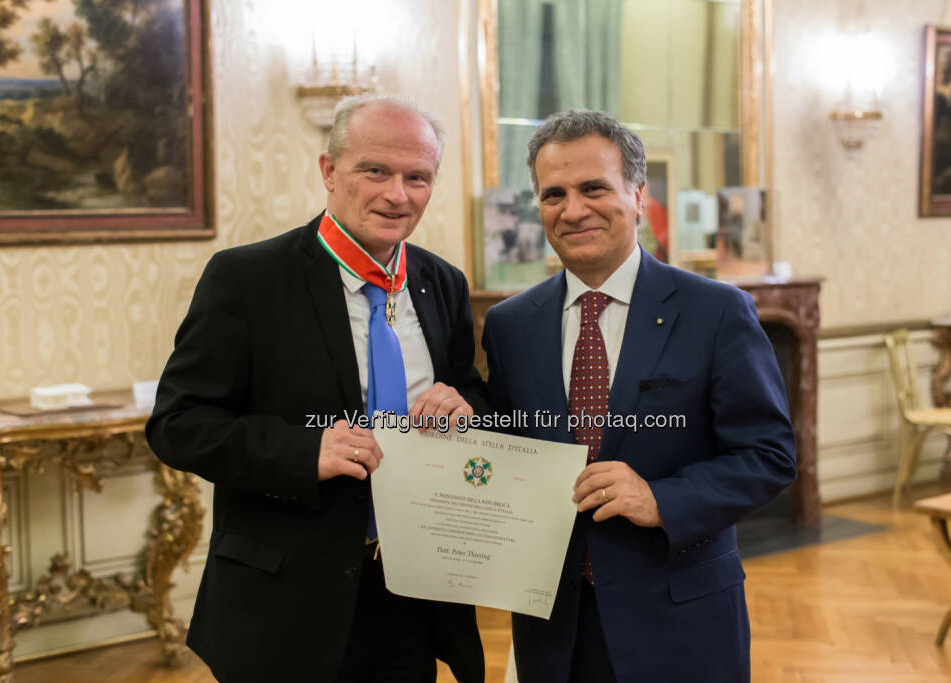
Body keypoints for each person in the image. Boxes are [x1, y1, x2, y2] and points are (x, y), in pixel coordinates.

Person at [146, 95, 485, 683]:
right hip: (283, 602)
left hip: (413, 591)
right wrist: (304, 452)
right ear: (328, 171)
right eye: (375, 170)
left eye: (417, 177)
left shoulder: (442, 283)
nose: (397, 194)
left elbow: (474, 396)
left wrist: (466, 408)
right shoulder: (246, 279)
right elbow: (178, 425)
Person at [482, 109, 796, 683]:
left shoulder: (717, 312)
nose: (573, 210)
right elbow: (507, 456)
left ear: (636, 194)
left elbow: (769, 457)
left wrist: (661, 499)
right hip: (555, 631)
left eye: (593, 188)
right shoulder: (509, 325)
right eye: (554, 194)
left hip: (681, 620)